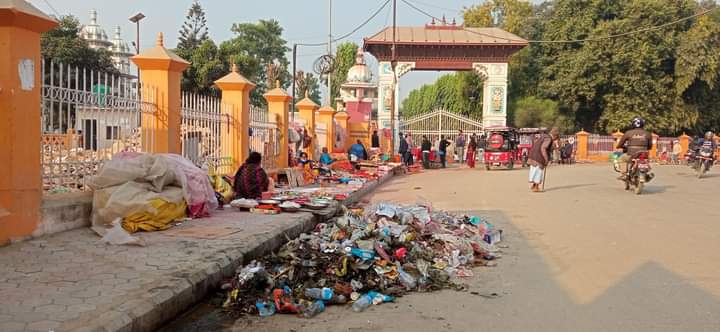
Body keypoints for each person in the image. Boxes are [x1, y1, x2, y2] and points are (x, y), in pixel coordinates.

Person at [528, 128, 559, 192]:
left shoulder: (543, 136)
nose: (554, 140)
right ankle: (536, 187)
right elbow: (543, 148)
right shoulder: (548, 138)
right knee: (538, 172)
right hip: (539, 157)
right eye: (555, 139)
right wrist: (546, 159)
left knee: (535, 171)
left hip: (533, 155)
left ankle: (534, 185)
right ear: (555, 136)